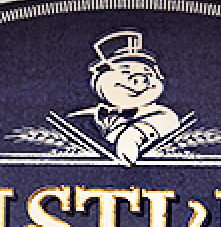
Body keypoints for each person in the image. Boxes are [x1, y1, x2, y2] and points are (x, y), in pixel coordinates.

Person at [70, 31, 182, 166]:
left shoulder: (162, 115)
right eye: (124, 71)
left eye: (147, 72)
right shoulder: (84, 117)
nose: (140, 80)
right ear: (99, 78)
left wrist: (133, 135)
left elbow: (168, 121)